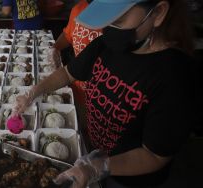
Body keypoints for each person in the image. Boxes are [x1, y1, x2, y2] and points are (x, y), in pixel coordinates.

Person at [14, 0, 196, 187]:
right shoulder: (107, 44)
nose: (108, 28)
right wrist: (34, 92)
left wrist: (99, 168)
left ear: (158, 13)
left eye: (120, 18)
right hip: (93, 154)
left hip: (129, 179)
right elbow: (69, 73)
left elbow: (155, 155)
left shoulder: (175, 75)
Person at [49, 0, 102, 106]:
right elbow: (68, 35)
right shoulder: (78, 8)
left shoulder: (116, 16)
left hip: (101, 94)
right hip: (78, 84)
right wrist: (56, 47)